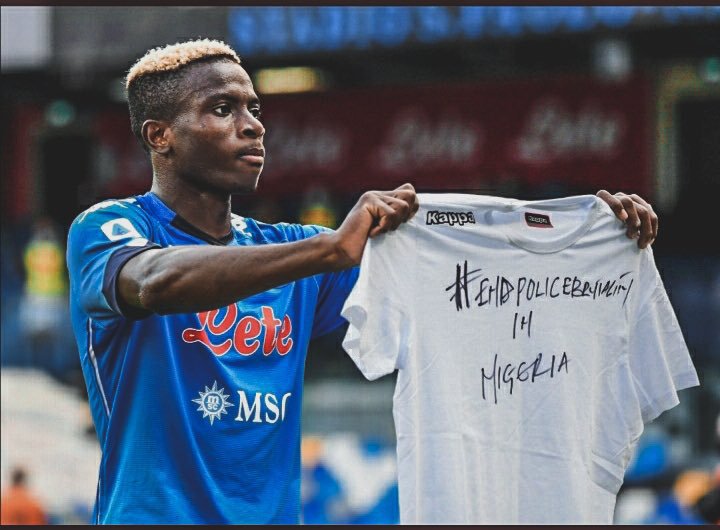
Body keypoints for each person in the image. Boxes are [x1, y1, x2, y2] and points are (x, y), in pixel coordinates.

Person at [66, 39, 658, 524]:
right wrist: (327, 249)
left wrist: (587, 237)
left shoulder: (287, 249)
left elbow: (461, 285)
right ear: (160, 136)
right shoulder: (111, 226)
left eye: (255, 109)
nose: (252, 127)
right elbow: (153, 281)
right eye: (222, 109)